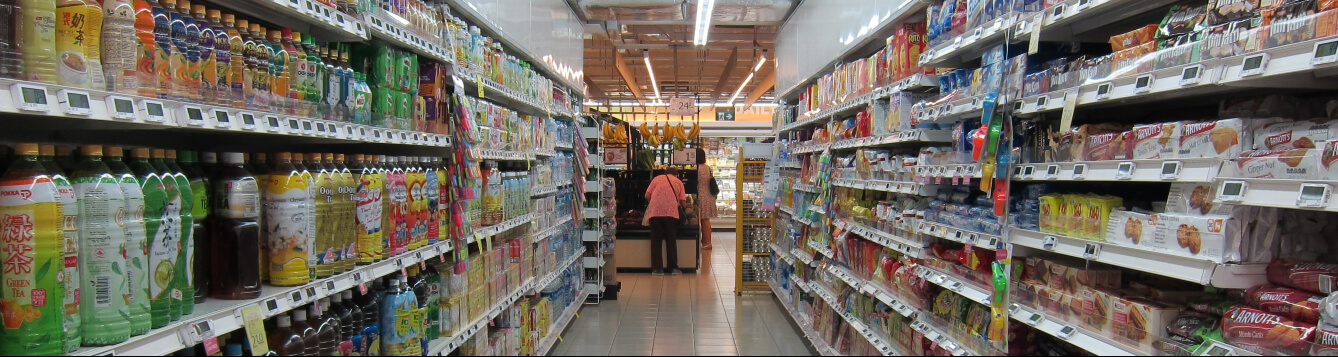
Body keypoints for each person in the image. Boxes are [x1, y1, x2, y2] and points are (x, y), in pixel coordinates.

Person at [644, 167, 687, 275]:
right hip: (671, 212)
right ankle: (673, 268)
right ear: (676, 175)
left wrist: (654, 203)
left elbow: (647, 195)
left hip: (655, 212)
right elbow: (683, 202)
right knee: (671, 239)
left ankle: (658, 269)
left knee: (656, 240)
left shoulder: (656, 179)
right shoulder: (679, 182)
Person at [696, 148, 718, 249]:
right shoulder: (707, 168)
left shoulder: (696, 169)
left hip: (701, 196)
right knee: (705, 219)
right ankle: (705, 241)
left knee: (703, 220)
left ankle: (708, 243)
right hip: (708, 195)